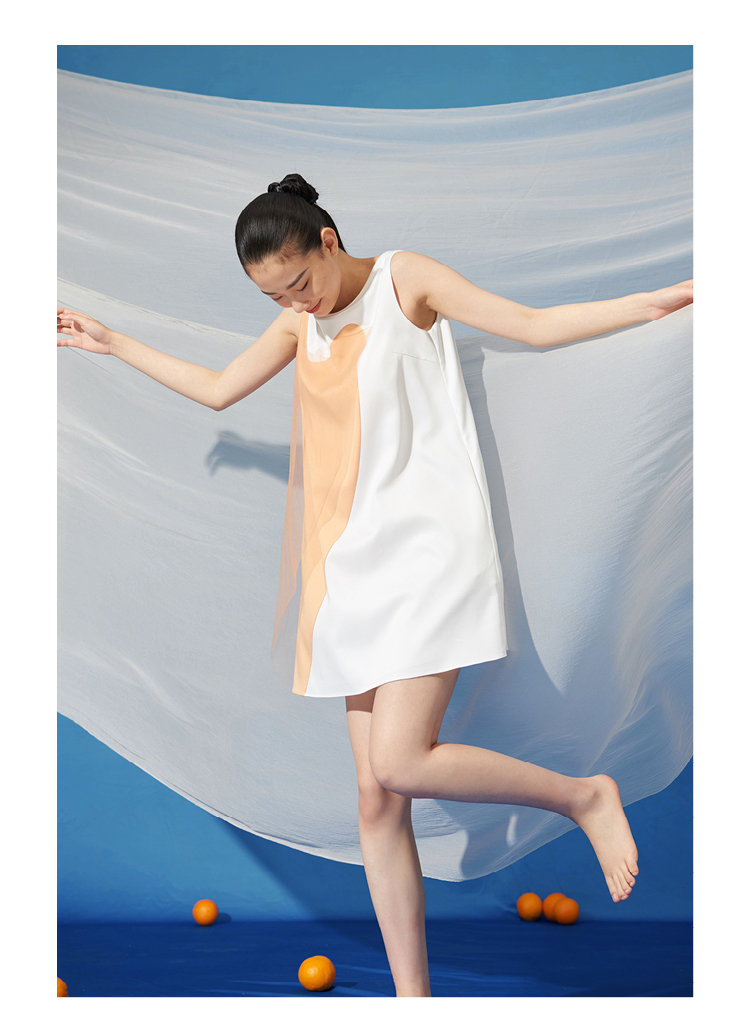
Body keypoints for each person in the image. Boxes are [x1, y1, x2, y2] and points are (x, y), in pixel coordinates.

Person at [57, 173, 693, 998]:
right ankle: (411, 998)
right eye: (275, 296)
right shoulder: (300, 322)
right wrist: (112, 341)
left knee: (398, 759)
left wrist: (651, 304)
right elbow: (218, 389)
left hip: (428, 553)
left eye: (300, 280)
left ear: (328, 241)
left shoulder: (405, 278)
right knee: (374, 800)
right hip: (351, 567)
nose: (298, 303)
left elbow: (531, 325)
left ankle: (583, 796)